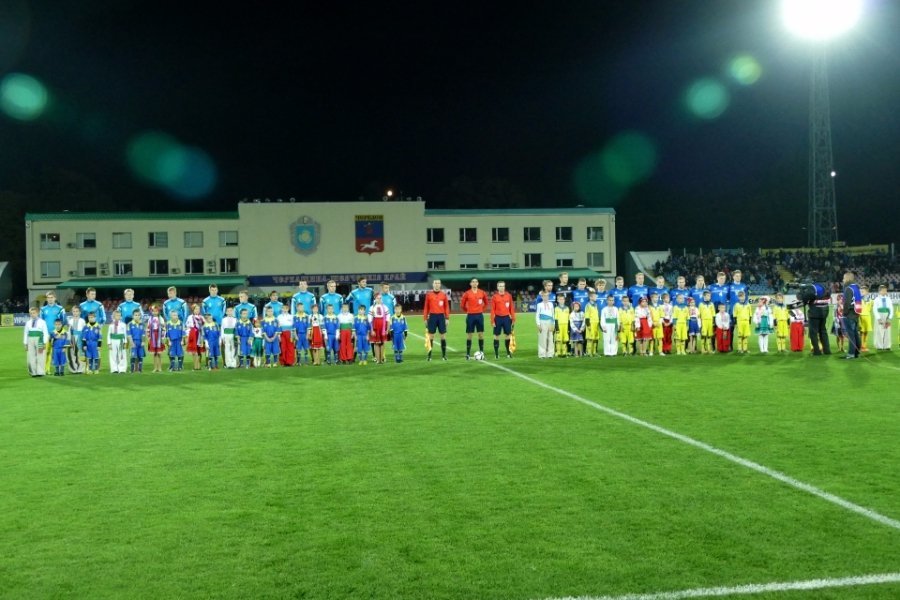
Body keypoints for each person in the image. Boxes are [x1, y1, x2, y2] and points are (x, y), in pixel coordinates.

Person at [423, 278, 450, 361]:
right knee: (431, 336)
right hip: (432, 317)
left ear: (440, 285)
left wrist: (447, 318)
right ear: (433, 284)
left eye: (438, 283)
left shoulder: (443, 295)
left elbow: (446, 307)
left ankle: (444, 356)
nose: (437, 284)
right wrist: (425, 318)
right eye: (435, 283)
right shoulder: (429, 295)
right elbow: (426, 307)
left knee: (443, 336)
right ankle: (429, 356)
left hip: (441, 317)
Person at [461, 278, 488, 359]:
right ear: (470, 284)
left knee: (480, 334)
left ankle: (482, 353)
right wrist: (468, 311)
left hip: (479, 316)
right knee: (469, 335)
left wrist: (481, 310)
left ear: (478, 283)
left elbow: (486, 303)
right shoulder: (467, 293)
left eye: (476, 282)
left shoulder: (482, 292)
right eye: (473, 282)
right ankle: (468, 354)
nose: (474, 283)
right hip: (470, 316)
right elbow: (462, 305)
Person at [490, 281, 516, 359]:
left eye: (503, 286)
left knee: (508, 336)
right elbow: (492, 309)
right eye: (500, 286)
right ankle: (496, 354)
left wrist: (513, 318)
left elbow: (511, 308)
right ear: (497, 287)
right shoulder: (494, 297)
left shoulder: (509, 296)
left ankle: (508, 353)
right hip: (497, 318)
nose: (502, 287)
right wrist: (492, 320)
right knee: (496, 336)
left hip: (506, 318)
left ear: (504, 287)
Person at [24, 306, 49, 377]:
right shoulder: (28, 322)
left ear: (37, 313)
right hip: (30, 339)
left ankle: (40, 372)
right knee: (31, 356)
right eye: (31, 313)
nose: (32, 315)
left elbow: (45, 333)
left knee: (41, 356)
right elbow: (26, 333)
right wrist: (25, 343)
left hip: (39, 339)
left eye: (34, 313)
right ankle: (33, 372)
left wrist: (44, 342)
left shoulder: (42, 322)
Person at [807, 285, 831, 356]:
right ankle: (827, 350)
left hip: (815, 313)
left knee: (813, 333)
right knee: (823, 331)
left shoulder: (813, 288)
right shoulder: (825, 288)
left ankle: (816, 351)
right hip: (824, 312)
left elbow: (805, 298)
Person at [535, 291, 555, 358]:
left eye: (547, 296)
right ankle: (542, 354)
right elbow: (537, 315)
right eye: (544, 296)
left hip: (550, 321)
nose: (546, 297)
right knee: (542, 338)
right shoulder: (539, 305)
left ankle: (550, 354)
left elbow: (553, 314)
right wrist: (538, 324)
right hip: (542, 321)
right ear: (542, 297)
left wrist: (553, 324)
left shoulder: (551, 304)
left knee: (550, 338)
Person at [66, 305, 86, 374]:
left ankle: (81, 369)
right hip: (72, 337)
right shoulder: (70, 321)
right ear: (72, 312)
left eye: (77, 311)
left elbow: (84, 331)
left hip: (80, 337)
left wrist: (84, 340)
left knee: (80, 353)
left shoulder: (82, 321)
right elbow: (69, 331)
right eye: (74, 311)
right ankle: (73, 369)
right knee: (71, 353)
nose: (75, 313)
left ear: (80, 312)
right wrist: (69, 340)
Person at [107, 309, 128, 374]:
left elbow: (125, 334)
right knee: (113, 355)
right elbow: (109, 334)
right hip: (113, 340)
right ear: (113, 316)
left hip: (121, 340)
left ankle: (122, 369)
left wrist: (125, 342)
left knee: (122, 354)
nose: (118, 317)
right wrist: (109, 343)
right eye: (116, 315)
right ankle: (114, 369)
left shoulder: (123, 324)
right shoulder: (111, 325)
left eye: (119, 315)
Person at [873, 284, 893, 351]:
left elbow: (891, 309)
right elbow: (875, 309)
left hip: (887, 314)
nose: (885, 292)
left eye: (886, 290)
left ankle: (887, 345)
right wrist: (878, 318)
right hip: (879, 314)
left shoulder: (888, 299)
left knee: (887, 330)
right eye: (883, 290)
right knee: (879, 330)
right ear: (879, 291)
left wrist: (889, 318)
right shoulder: (876, 299)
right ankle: (879, 346)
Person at [185, 304, 206, 371]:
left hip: (200, 334)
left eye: (198, 309)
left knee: (199, 351)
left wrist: (203, 335)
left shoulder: (202, 317)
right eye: (196, 309)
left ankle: (198, 366)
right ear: (193, 310)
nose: (197, 310)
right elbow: (188, 327)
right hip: (193, 334)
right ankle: (195, 365)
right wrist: (188, 335)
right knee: (194, 351)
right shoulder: (190, 317)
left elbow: (204, 326)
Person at [146, 304, 166, 373]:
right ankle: (155, 368)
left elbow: (164, 328)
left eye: (156, 311)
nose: (155, 312)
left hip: (159, 336)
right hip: (153, 337)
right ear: (151, 312)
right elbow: (148, 328)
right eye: (153, 311)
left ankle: (160, 367)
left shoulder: (161, 318)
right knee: (154, 354)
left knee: (159, 353)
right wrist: (148, 337)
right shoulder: (150, 319)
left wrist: (163, 337)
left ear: (158, 311)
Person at [553, 293, 570, 357]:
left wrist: (568, 328)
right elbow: (555, 319)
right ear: (558, 300)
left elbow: (568, 319)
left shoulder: (567, 308)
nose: (561, 300)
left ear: (564, 300)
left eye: (562, 299)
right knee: (558, 339)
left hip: (565, 325)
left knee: (565, 339)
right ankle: (558, 352)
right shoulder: (556, 308)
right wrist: (557, 328)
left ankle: (564, 352)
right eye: (560, 299)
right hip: (559, 325)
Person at [698, 290, 715, 354]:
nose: (709, 297)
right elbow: (699, 314)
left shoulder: (711, 304)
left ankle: (709, 349)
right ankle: (703, 349)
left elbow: (713, 313)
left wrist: (713, 322)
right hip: (703, 321)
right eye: (708, 296)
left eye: (710, 296)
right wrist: (700, 323)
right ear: (704, 296)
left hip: (710, 321)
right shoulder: (701, 304)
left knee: (709, 335)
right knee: (703, 335)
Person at [584, 290, 600, 357]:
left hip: (596, 323)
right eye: (594, 296)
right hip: (591, 323)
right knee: (590, 338)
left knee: (595, 338)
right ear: (590, 297)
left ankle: (594, 352)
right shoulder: (588, 305)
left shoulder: (595, 305)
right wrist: (588, 325)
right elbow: (587, 316)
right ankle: (589, 352)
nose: (596, 297)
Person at [858, 285, 873, 352]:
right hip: (861, 316)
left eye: (863, 291)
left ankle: (864, 346)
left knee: (866, 332)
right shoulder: (859, 299)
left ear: (867, 292)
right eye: (860, 292)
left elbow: (871, 308)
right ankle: (861, 346)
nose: (861, 293)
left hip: (868, 316)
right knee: (861, 332)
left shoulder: (870, 300)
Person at [649, 292, 664, 357]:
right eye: (655, 297)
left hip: (659, 324)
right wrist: (652, 323)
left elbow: (662, 316)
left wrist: (659, 323)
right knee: (652, 339)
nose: (656, 299)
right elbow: (649, 316)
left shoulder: (660, 306)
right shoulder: (649, 307)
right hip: (652, 325)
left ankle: (660, 351)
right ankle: (651, 351)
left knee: (660, 338)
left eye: (657, 297)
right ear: (651, 298)